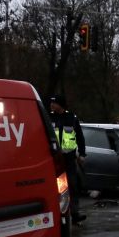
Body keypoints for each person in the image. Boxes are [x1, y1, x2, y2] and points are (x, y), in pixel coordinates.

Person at [48, 95, 87, 225]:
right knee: (55, 187)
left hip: (69, 157)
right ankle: (57, 215)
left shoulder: (71, 118)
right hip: (54, 158)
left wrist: (82, 154)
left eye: (54, 103)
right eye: (51, 103)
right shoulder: (49, 117)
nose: (52, 105)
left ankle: (74, 214)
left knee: (72, 186)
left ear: (61, 104)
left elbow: (80, 137)